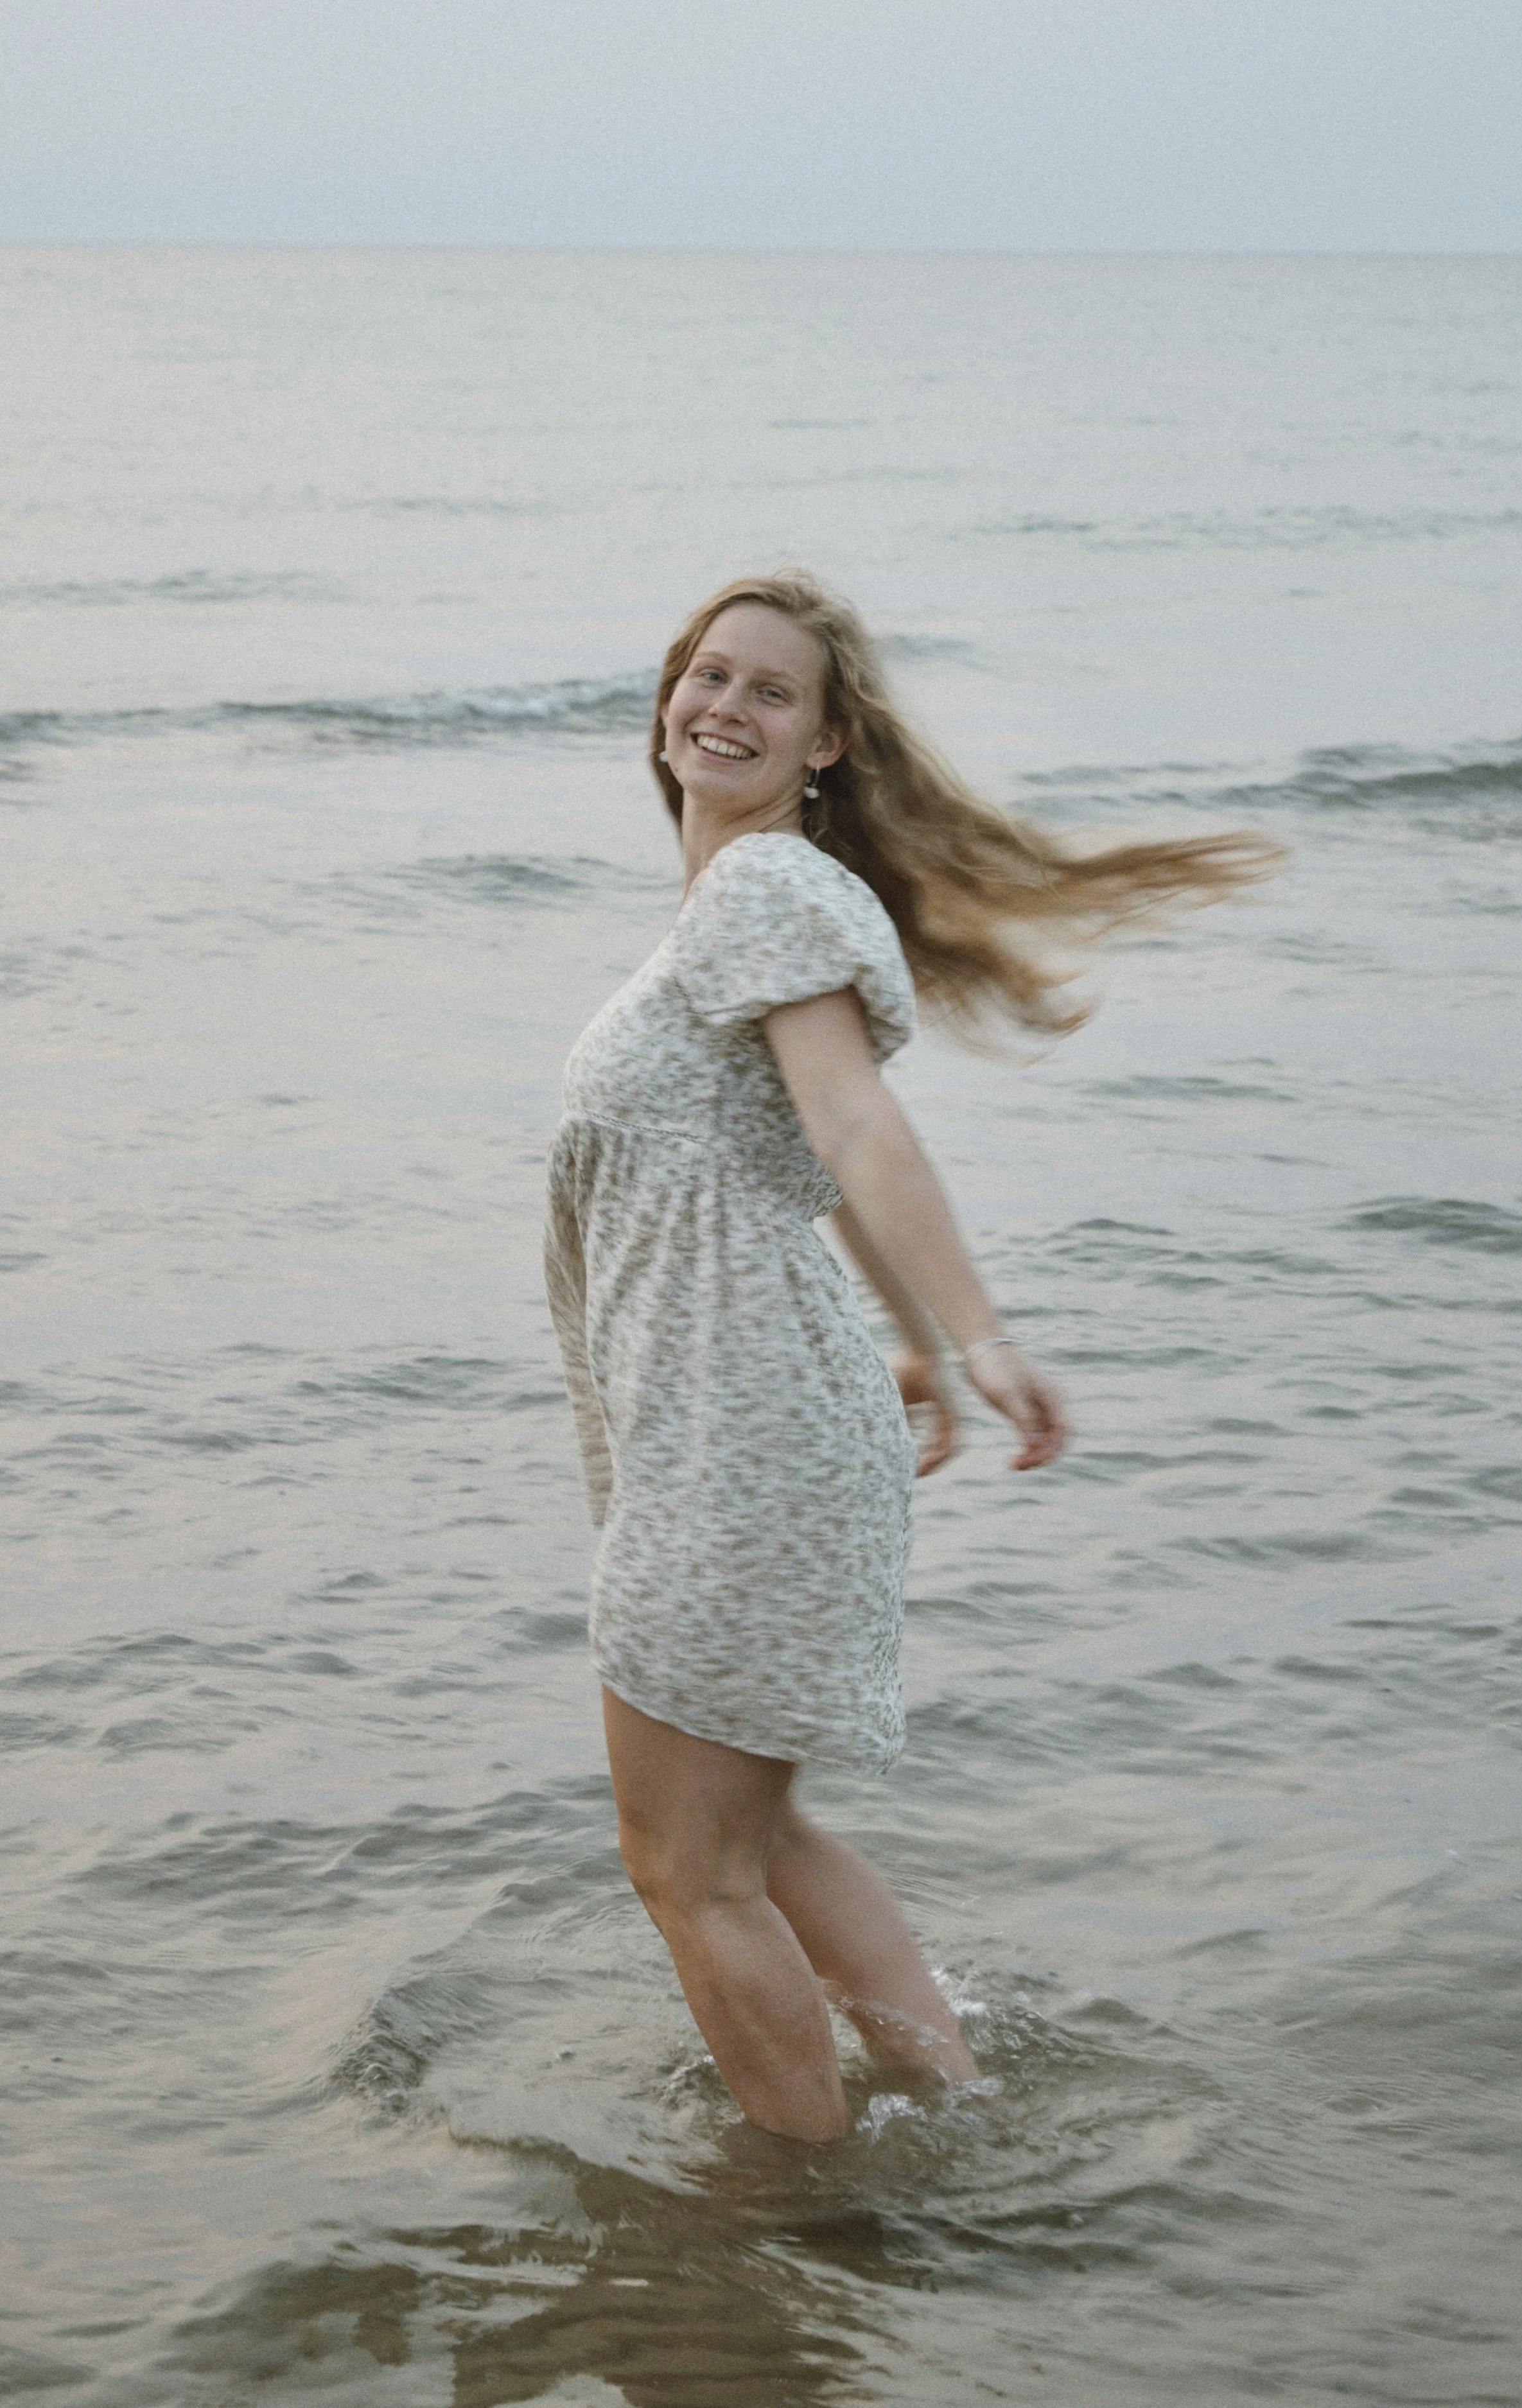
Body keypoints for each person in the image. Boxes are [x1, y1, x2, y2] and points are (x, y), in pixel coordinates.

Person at [544, 572, 1276, 2141]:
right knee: (761, 1837)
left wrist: (979, 1336)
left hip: (737, 1436)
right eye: (706, 676)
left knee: (690, 1868)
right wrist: (908, 1345)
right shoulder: (739, 902)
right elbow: (803, 1151)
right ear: (667, 698)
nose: (723, 709)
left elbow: (858, 1122)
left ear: (825, 742)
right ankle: (945, 2107)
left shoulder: (759, 891)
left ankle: (803, 2205)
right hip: (741, 1421)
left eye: (768, 693)